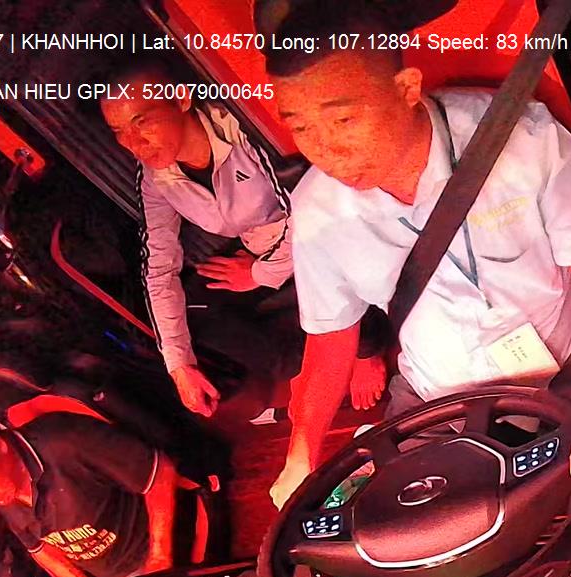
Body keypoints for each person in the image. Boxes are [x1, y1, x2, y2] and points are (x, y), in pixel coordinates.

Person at [262, 3, 571, 577]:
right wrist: (303, 448)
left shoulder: (520, 140)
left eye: (342, 119)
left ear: (406, 88)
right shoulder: (317, 210)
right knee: (401, 544)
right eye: (301, 127)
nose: (326, 149)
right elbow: (330, 338)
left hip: (567, 357)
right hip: (436, 392)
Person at [99, 59, 389, 415]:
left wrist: (258, 274)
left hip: (316, 232)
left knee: (327, 259)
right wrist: (179, 366)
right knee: (196, 311)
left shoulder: (239, 129)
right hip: (258, 246)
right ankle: (311, 357)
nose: (133, 143)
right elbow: (159, 268)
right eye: (118, 132)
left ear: (181, 99)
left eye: (141, 122)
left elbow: (311, 210)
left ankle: (367, 345)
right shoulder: (154, 177)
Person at [0, 406, 177, 577]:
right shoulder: (0, 491)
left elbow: (160, 473)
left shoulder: (65, 442)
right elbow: (40, 548)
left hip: (148, 556)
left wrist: (159, 559)